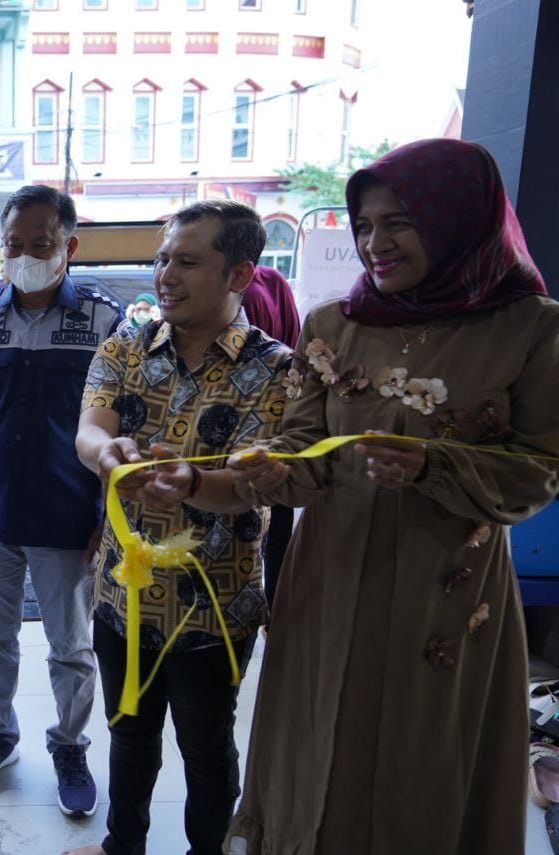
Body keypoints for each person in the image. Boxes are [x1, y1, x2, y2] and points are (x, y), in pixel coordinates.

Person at [224, 139, 559, 854]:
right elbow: (302, 445)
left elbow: (541, 467)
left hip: (444, 586)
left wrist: (435, 463)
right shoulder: (333, 324)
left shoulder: (530, 327)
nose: (376, 243)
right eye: (366, 225)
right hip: (333, 570)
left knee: (420, 761)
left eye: (400, 221)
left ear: (457, 217)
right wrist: (272, 468)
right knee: (324, 745)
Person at [67, 200, 291, 855]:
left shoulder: (275, 369)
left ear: (240, 273)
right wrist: (108, 456)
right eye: (164, 257)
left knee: (205, 747)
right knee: (129, 734)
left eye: (188, 261)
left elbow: (258, 480)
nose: (166, 273)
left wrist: (194, 481)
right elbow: (91, 427)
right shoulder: (125, 347)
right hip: (122, 595)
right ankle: (122, 845)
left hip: (213, 606)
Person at [0, 185, 121, 816]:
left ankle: (69, 745)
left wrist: (107, 514)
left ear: (68, 246)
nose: (24, 255)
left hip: (67, 516)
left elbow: (116, 427)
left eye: (40, 244)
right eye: (13, 244)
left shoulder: (105, 322)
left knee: (71, 647)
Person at [239, 265, 301, 612]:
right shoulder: (225, 282)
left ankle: (276, 608)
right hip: (236, 412)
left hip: (278, 409)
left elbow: (295, 342)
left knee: (279, 517)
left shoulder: (270, 280)